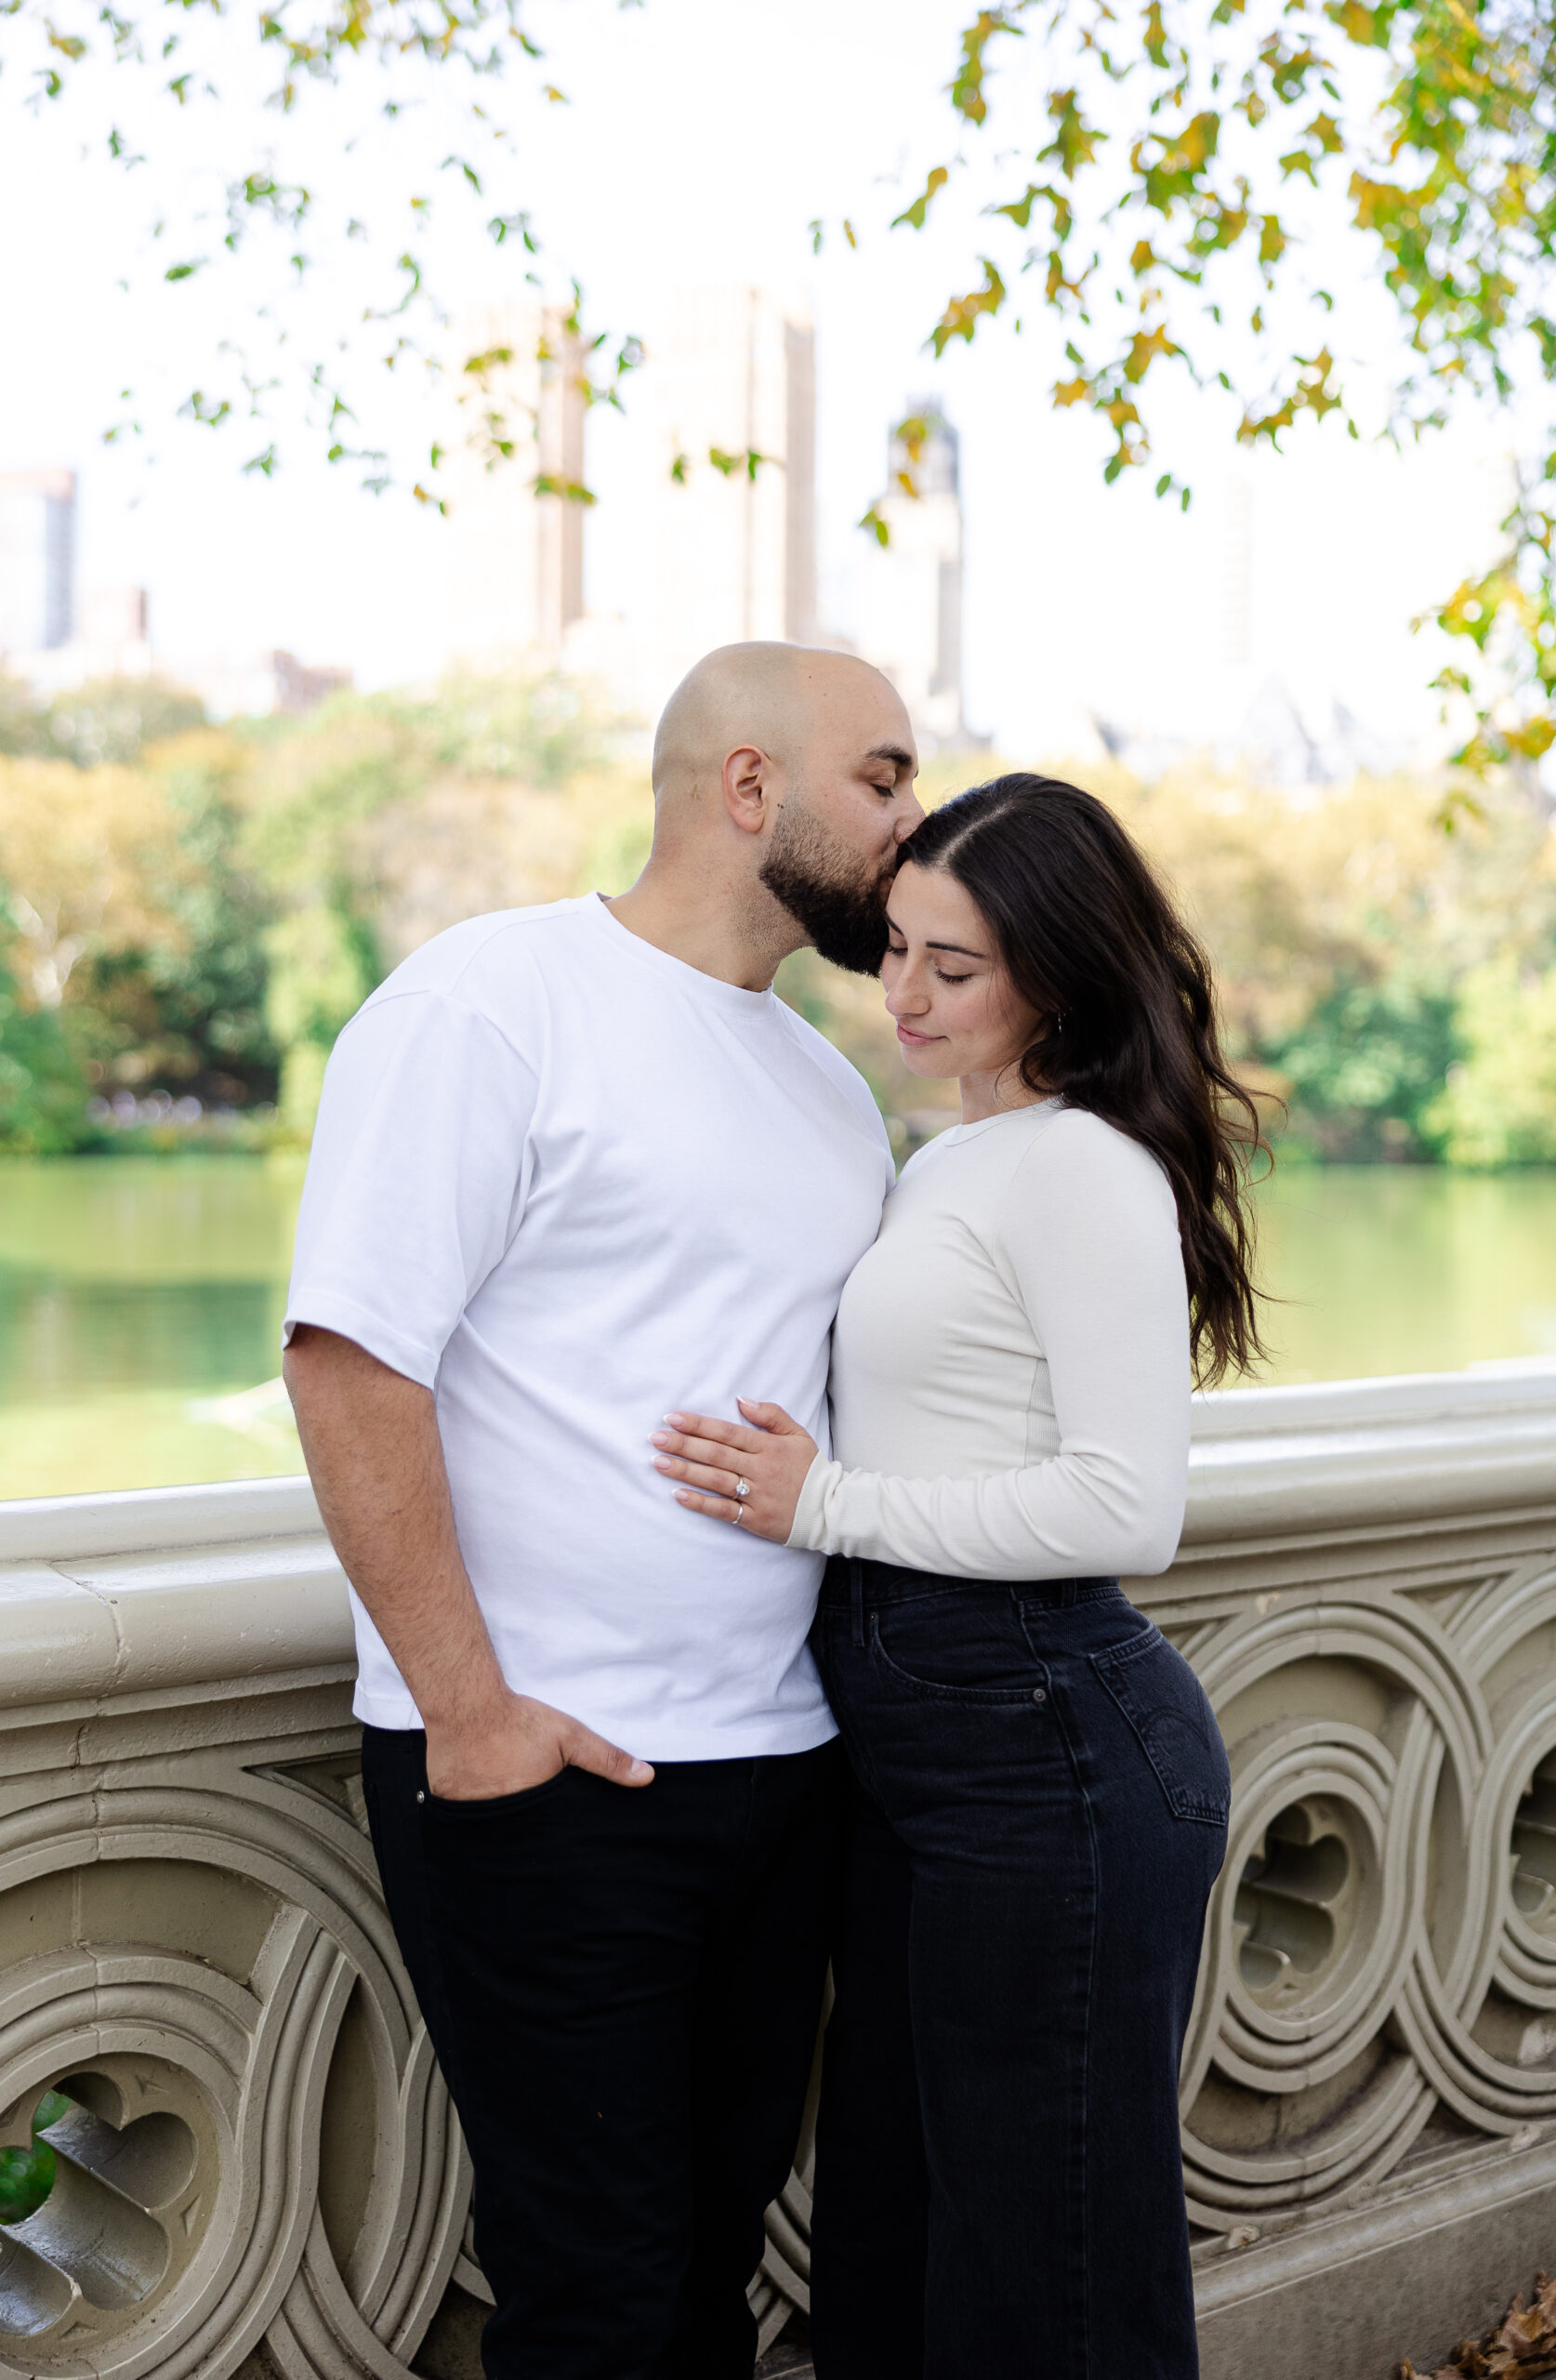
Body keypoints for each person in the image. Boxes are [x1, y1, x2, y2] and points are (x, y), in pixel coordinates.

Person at [281, 641, 922, 2380]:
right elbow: (351, 1363)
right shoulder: (490, 1001)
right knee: (597, 2293)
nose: (914, 819)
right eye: (882, 776)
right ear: (748, 788)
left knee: (712, 2267)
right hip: (546, 1777)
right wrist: (471, 1715)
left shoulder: (828, 1092)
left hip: (781, 1775)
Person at [653, 773, 1262, 2379]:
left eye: (957, 967)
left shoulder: (1081, 1169)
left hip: (1044, 1742)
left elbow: (1127, 1509)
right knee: (894, 2234)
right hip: (929, 1749)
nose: (904, 995)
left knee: (1046, 2270)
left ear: (1057, 972)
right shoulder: (956, 1154)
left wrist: (822, 1501)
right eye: (899, 949)